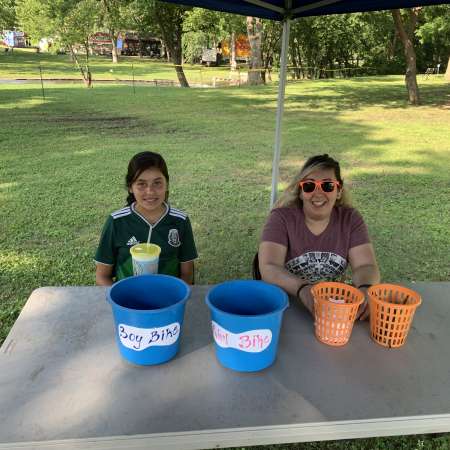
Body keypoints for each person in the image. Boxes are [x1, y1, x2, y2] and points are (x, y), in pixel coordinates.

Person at [258, 154, 380, 320]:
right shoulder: (281, 218)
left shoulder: (350, 219)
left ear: (338, 191)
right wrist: (303, 290)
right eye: (309, 186)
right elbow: (269, 267)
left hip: (334, 312)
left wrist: (366, 288)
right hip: (287, 308)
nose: (318, 193)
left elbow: (366, 265)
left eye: (328, 186)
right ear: (301, 192)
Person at [95, 151, 198, 286]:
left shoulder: (180, 221)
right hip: (128, 300)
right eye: (141, 184)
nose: (150, 191)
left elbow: (187, 273)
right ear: (130, 187)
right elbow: (102, 276)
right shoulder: (116, 222)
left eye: (157, 183)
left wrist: (173, 297)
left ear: (166, 184)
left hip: (168, 298)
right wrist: (123, 300)